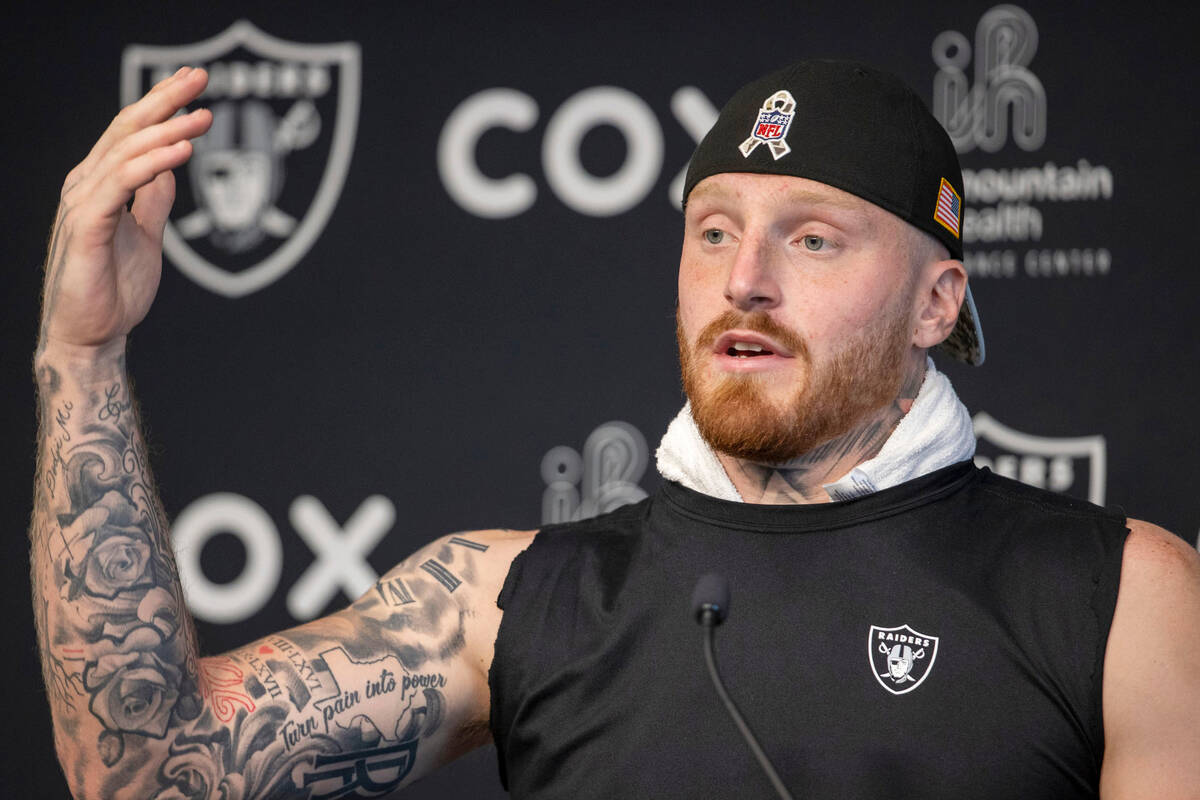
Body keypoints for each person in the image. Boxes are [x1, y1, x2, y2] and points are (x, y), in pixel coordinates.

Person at [30, 60, 1200, 800]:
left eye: (814, 236)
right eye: (711, 231)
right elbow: (144, 767)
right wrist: (83, 356)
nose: (744, 278)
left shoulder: (1120, 595)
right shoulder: (510, 598)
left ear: (937, 303)